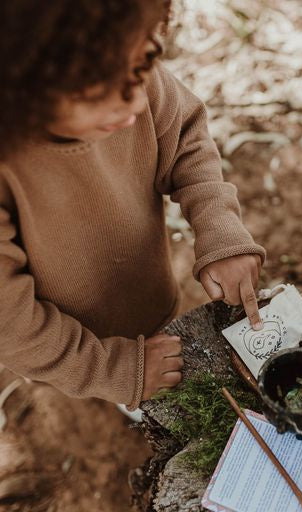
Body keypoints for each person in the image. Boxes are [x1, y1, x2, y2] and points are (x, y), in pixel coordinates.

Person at [0, 0, 265, 416]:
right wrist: (117, 371)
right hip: (76, 344)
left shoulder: (120, 55)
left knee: (165, 347)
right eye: (97, 93)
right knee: (142, 399)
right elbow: (12, 326)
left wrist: (221, 231)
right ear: (22, 88)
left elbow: (186, 139)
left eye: (145, 62)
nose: (135, 105)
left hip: (150, 289)